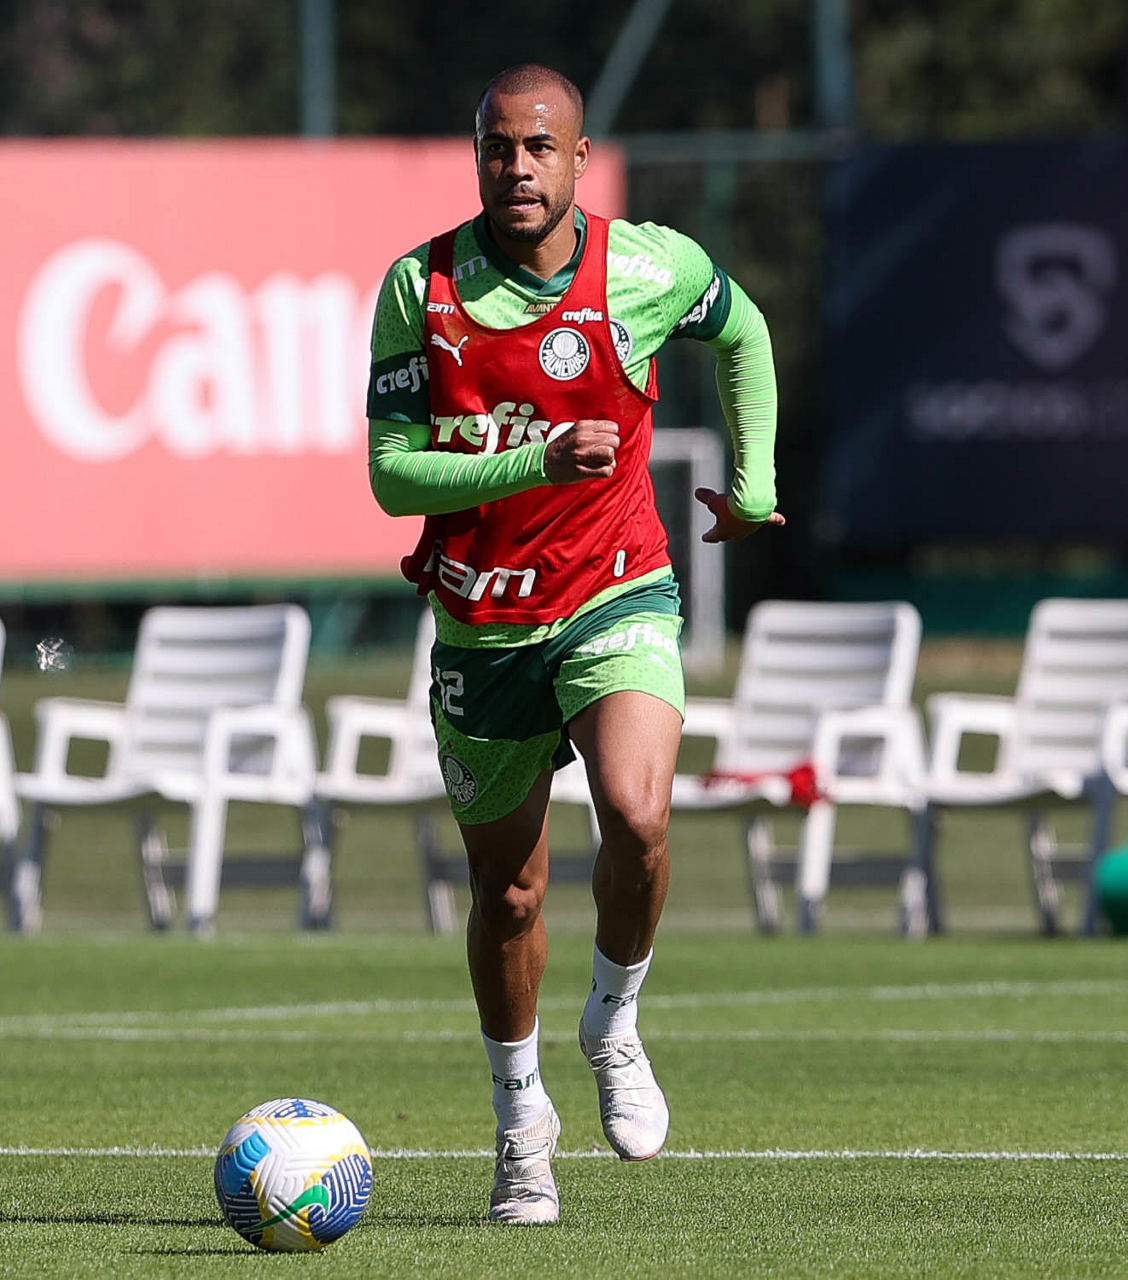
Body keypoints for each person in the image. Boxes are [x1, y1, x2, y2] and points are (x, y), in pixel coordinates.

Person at [367, 62, 783, 1225]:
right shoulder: (419, 287)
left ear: (580, 159)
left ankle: (616, 1017)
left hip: (616, 593)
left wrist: (752, 483)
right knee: (508, 894)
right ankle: (521, 1128)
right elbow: (392, 474)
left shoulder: (645, 267)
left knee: (639, 817)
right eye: (498, 146)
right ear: (477, 156)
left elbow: (743, 328)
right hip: (482, 624)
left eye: (539, 147)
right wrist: (534, 460)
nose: (517, 167)